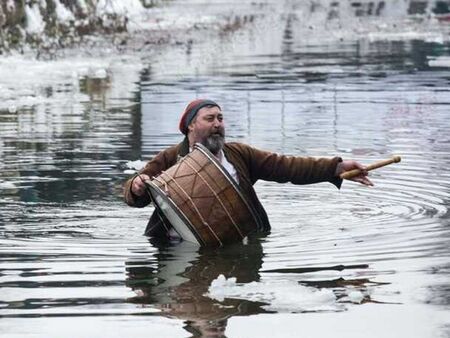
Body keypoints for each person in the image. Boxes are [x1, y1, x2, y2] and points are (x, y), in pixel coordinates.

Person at [124, 99, 373, 239]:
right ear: (190, 127)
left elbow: (287, 167)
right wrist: (136, 186)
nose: (217, 124)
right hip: (176, 243)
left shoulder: (238, 154)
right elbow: (138, 192)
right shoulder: (171, 157)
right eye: (209, 119)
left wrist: (335, 167)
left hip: (234, 237)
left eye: (220, 118)